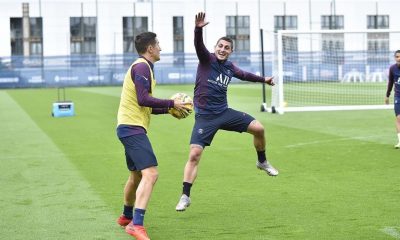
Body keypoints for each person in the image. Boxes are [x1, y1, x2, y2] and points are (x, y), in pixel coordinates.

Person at [175, 12, 279, 212]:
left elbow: (245, 75)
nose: (223, 49)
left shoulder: (230, 67)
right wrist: (198, 29)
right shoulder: (207, 60)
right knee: (195, 153)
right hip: (205, 117)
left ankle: (262, 161)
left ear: (231, 51)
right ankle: (185, 196)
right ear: (215, 48)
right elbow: (198, 45)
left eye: (227, 48)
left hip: (224, 113)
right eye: (220, 46)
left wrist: (264, 79)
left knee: (259, 128)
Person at [116, 32, 189, 240]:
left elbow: (145, 105)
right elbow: (143, 99)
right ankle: (136, 224)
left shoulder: (144, 67)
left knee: (136, 175)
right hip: (132, 128)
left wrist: (170, 110)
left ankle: (126, 217)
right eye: (158, 44)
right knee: (151, 174)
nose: (160, 48)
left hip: (128, 127)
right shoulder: (141, 67)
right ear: (150, 48)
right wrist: (171, 103)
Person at [385, 49, 400, 149]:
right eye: (397, 56)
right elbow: (390, 82)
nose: (398, 58)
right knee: (399, 118)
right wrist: (387, 95)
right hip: (398, 96)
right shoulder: (392, 68)